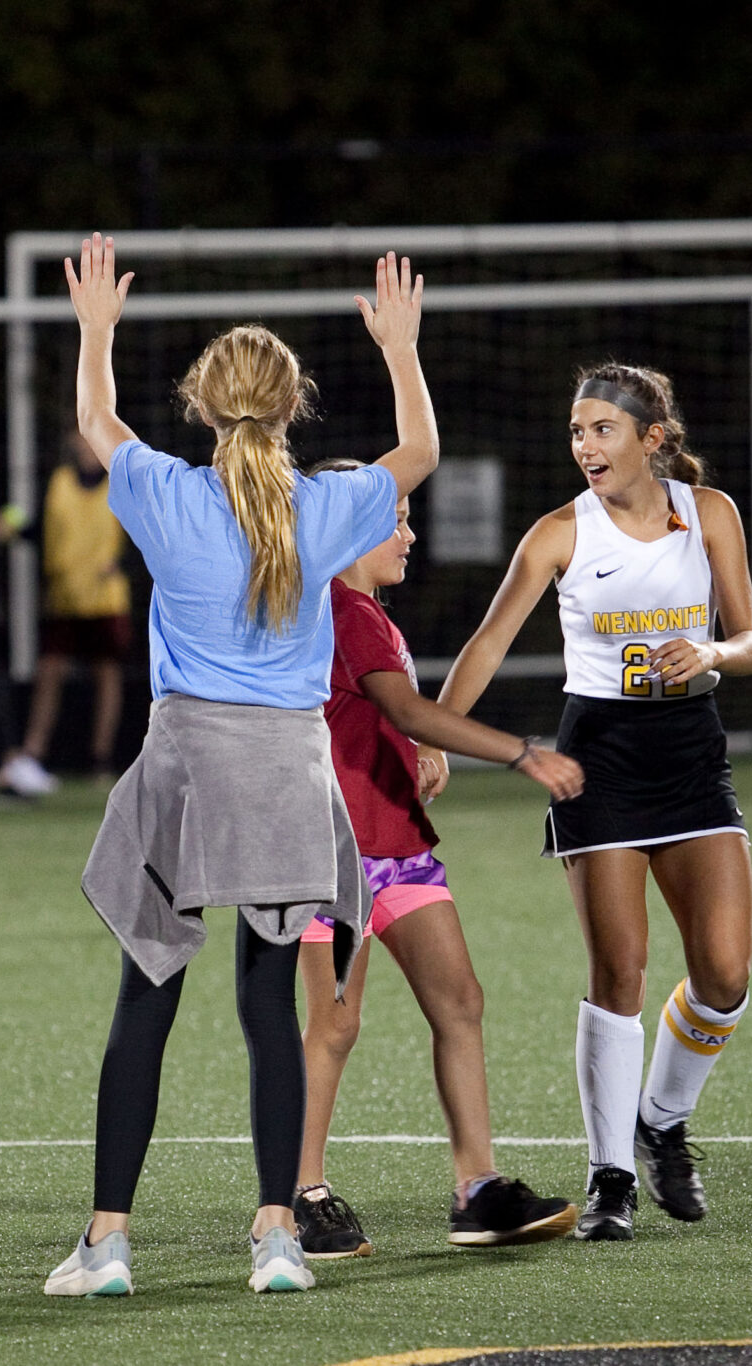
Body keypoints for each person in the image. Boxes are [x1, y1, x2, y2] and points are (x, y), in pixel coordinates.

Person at [44, 243, 437, 1298]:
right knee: (269, 1006)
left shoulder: (169, 495)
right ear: (291, 405)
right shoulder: (323, 505)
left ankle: (106, 1243)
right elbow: (418, 447)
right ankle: (273, 1236)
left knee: (147, 992)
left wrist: (94, 330)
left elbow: (96, 425)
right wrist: (400, 349)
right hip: (283, 765)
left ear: (202, 407)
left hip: (186, 758)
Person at [436, 362, 752, 1242]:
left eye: (602, 430)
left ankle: (661, 1119)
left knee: (726, 974)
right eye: (577, 431)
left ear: (652, 438)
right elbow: (486, 644)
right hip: (600, 761)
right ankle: (611, 1174)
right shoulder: (557, 535)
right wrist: (432, 738)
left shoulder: (711, 514)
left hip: (692, 755)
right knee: (618, 973)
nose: (585, 446)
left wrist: (713, 656)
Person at [286, 457, 583, 1261]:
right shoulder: (338, 609)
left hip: (398, 849)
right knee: (335, 1028)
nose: (410, 535)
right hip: (336, 859)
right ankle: (301, 1195)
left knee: (460, 1001)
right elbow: (401, 704)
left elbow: (377, 719)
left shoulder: (362, 614)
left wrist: (411, 752)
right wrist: (520, 753)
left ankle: (477, 1190)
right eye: (397, 521)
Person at [0, 427, 130, 794]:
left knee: (107, 675)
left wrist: (122, 564)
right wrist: (7, 526)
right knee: (50, 671)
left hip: (106, 599)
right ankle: (33, 752)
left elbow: (138, 538)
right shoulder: (57, 483)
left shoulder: (121, 483)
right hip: (64, 597)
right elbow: (39, 530)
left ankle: (101, 758)